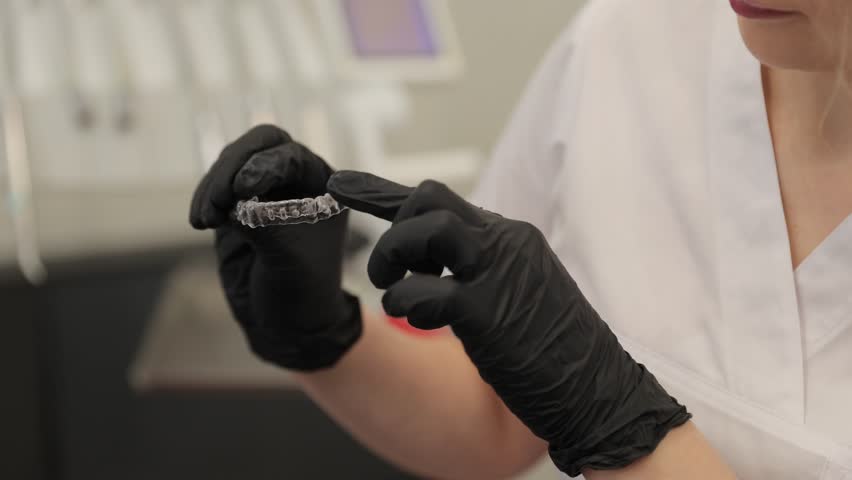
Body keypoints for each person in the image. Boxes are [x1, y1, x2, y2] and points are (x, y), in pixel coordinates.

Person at [189, 0, 852, 477]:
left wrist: (619, 427)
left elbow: (583, 408)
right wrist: (323, 338)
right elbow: (496, 420)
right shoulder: (634, 34)